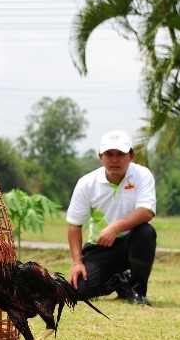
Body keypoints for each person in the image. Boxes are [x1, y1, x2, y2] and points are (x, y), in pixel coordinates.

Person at [66, 130, 157, 306]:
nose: (114, 159)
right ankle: (118, 281)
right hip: (100, 246)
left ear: (131, 155)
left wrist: (115, 228)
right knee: (78, 291)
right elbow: (74, 225)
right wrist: (77, 262)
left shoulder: (142, 175)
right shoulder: (87, 183)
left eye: (120, 154)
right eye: (109, 154)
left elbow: (146, 211)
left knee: (146, 231)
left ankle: (136, 291)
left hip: (131, 241)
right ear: (100, 156)